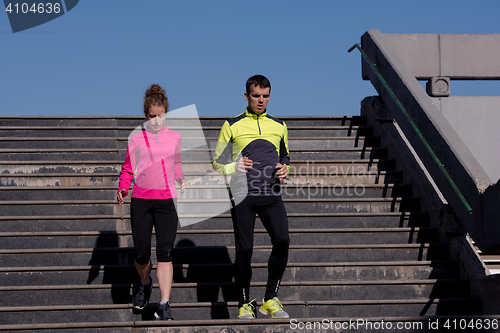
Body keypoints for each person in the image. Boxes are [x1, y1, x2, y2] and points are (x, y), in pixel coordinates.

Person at [212, 75, 290, 319]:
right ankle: (245, 303)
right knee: (245, 250)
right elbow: (217, 163)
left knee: (283, 241)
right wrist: (234, 166)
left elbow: (285, 156)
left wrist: (285, 167)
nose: (261, 100)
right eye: (256, 96)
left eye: (265, 96)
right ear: (246, 96)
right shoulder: (232, 124)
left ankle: (270, 298)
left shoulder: (279, 125)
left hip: (271, 193)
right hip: (242, 194)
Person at [117, 84, 186, 321]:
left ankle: (164, 304)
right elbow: (127, 169)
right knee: (142, 253)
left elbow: (176, 164)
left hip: (167, 201)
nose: (156, 120)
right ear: (145, 114)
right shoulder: (136, 139)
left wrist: (181, 179)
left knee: (165, 253)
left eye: (161, 115)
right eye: (152, 116)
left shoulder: (175, 137)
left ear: (166, 113)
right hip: (142, 200)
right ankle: (144, 283)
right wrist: (123, 187)